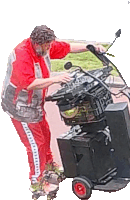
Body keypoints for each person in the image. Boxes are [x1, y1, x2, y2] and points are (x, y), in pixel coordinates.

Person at [1, 25, 106, 194]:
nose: (50, 49)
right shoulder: (21, 55)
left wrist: (89, 46)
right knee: (36, 144)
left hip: (35, 105)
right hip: (20, 108)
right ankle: (38, 182)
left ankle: (49, 166)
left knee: (46, 134)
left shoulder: (45, 46)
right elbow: (29, 83)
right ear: (37, 44)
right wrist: (55, 79)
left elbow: (67, 47)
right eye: (47, 46)